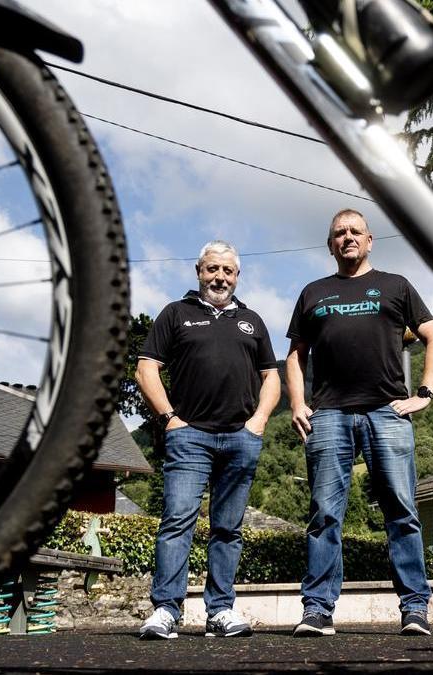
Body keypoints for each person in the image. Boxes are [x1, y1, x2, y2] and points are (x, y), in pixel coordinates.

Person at [285, 208, 433, 637]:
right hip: (330, 414)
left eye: (356, 231)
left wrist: (425, 395)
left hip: (387, 412)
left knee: (401, 511)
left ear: (370, 240)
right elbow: (296, 354)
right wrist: (298, 403)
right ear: (330, 244)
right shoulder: (313, 292)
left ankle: (414, 608)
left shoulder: (396, 286)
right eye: (339, 232)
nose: (348, 237)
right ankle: (317, 610)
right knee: (324, 515)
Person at [136, 240, 280, 640]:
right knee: (177, 521)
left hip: (240, 438)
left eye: (228, 271)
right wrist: (170, 418)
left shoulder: (252, 320)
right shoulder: (176, 314)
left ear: (237, 276)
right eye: (212, 269)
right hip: (190, 437)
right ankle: (166, 610)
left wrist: (259, 422)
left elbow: (272, 376)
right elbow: (147, 369)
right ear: (198, 270)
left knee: (228, 528)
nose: (220, 277)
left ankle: (220, 611)